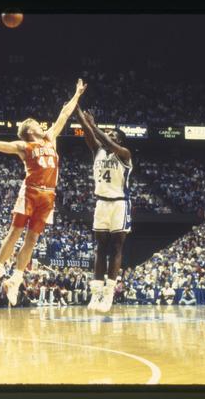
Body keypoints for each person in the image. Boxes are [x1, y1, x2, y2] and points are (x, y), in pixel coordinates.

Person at [0, 79, 87, 306]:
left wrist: (77, 94)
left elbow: (64, 115)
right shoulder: (23, 146)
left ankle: (16, 279)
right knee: (15, 232)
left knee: (32, 239)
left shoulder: (50, 139)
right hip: (31, 192)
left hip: (49, 196)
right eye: (37, 123)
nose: (42, 125)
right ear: (30, 130)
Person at [75, 105, 132, 313]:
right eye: (108, 133)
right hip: (101, 203)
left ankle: (109, 293)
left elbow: (102, 137)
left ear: (119, 141)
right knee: (100, 248)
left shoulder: (125, 154)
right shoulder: (97, 151)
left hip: (119, 204)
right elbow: (86, 129)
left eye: (113, 135)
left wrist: (95, 126)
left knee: (116, 248)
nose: (109, 136)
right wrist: (76, 106)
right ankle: (97, 291)